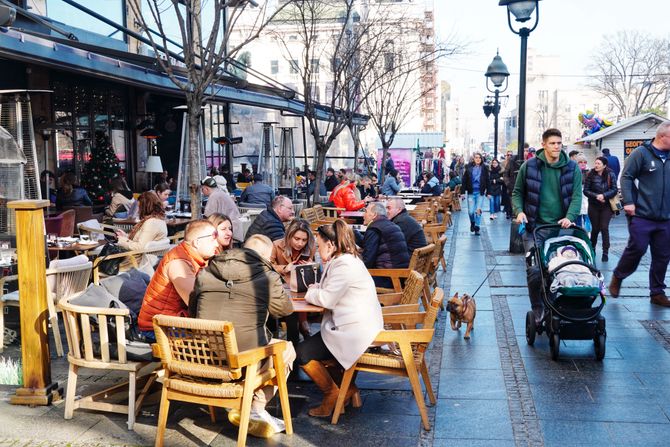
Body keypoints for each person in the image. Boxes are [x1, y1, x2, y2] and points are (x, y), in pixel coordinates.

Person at [189, 234, 295, 437]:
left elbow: (193, 309)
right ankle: (255, 407)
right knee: (286, 349)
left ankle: (241, 403)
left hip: (203, 355)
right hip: (243, 356)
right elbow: (284, 310)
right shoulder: (267, 276)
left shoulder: (205, 272)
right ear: (265, 256)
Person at [295, 220, 383, 418]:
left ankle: (332, 393)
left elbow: (326, 299)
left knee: (301, 353)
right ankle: (348, 388)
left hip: (355, 332)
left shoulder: (344, 265)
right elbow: (329, 290)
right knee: (314, 347)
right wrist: (317, 290)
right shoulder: (346, 260)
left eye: (318, 245)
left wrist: (310, 292)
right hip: (354, 326)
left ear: (331, 245)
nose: (317, 250)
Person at [512, 128, 583, 324]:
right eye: (552, 143)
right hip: (534, 228)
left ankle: (556, 303)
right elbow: (517, 192)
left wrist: (570, 216)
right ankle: (538, 308)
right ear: (544, 144)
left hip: (561, 228)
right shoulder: (530, 166)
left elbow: (577, 195)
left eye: (559, 143)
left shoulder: (571, 167)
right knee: (535, 270)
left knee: (561, 266)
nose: (557, 147)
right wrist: (519, 211)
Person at [609, 123, 670, 306]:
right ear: (662, 137)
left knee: (663, 255)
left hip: (666, 218)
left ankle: (657, 293)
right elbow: (626, 177)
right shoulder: (641, 153)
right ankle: (618, 276)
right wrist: (628, 202)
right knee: (638, 248)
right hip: (642, 214)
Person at [137, 220, 220, 340]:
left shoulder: (196, 259)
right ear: (197, 242)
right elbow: (197, 305)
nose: (217, 244)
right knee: (217, 342)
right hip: (157, 329)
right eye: (213, 239)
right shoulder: (179, 263)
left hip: (173, 323)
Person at [270, 219, 316, 338]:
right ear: (289, 236)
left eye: (304, 240)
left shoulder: (310, 248)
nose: (300, 243)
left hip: (301, 289)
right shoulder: (276, 245)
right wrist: (285, 268)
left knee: (296, 311)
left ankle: (299, 333)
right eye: (296, 239)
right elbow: (268, 267)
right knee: (291, 314)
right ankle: (299, 332)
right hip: (281, 287)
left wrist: (310, 267)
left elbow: (314, 272)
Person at [360, 202, 410, 287]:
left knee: (350, 279)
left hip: (388, 279)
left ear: (374, 214)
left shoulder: (374, 229)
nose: (363, 215)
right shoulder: (391, 225)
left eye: (365, 211)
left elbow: (367, 262)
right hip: (400, 277)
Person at [583, 156, 618, 262]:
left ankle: (605, 252)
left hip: (606, 206)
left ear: (604, 165)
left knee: (604, 227)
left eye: (598, 163)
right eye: (595, 163)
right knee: (595, 229)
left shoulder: (610, 174)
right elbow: (586, 190)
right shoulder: (590, 174)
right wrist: (597, 196)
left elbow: (614, 189)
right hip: (594, 205)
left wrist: (604, 195)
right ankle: (592, 248)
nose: (596, 165)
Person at [201, 176, 243, 241]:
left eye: (202, 189)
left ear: (206, 189)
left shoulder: (213, 196)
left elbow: (209, 217)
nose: (202, 192)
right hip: (234, 229)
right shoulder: (219, 193)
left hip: (231, 232)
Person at [461, 152, 489, 235]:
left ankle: (477, 226)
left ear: (481, 159)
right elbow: (464, 181)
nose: (478, 159)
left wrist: (489, 192)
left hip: (480, 193)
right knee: (470, 212)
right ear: (474, 159)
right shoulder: (469, 168)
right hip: (471, 193)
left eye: (479, 158)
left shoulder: (484, 168)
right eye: (476, 157)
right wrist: (462, 192)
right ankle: (473, 222)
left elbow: (487, 180)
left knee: (478, 210)